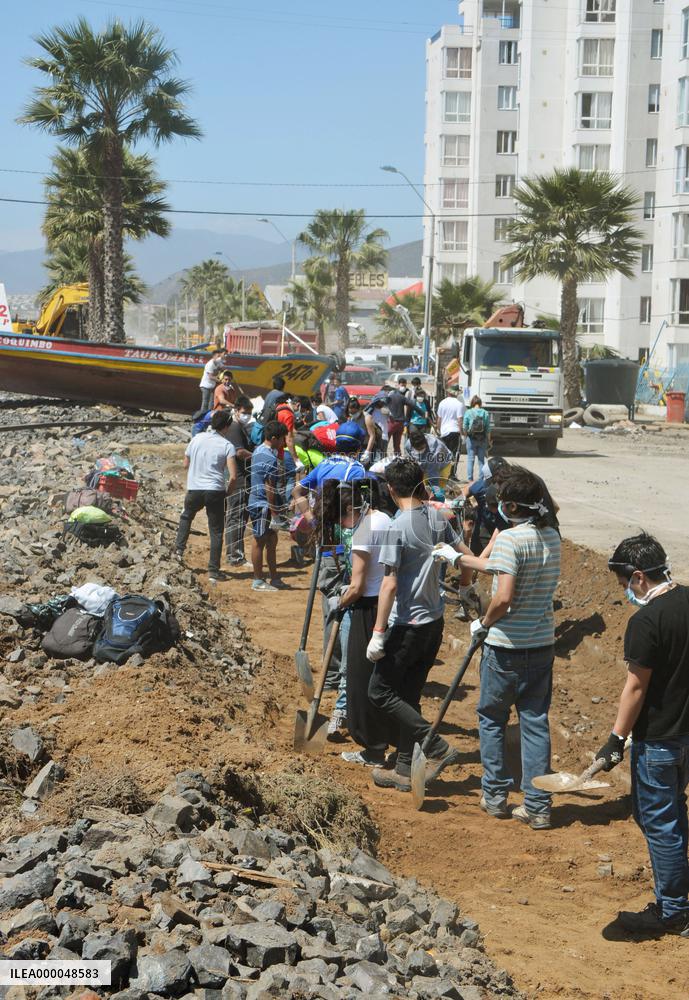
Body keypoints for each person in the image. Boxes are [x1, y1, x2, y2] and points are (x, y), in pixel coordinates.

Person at [441, 466, 561, 829]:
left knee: (492, 719)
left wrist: (484, 621)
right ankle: (538, 805)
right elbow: (497, 567)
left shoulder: (511, 539)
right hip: (540, 644)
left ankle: (494, 794)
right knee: (535, 722)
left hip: (506, 646)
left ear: (510, 506)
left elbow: (504, 596)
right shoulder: (552, 535)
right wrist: (456, 558)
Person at [597, 533, 689, 937]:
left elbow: (635, 688)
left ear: (638, 578)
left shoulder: (645, 621)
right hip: (686, 735)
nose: (625, 594)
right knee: (673, 815)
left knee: (658, 822)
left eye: (624, 585)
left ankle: (674, 911)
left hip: (659, 741)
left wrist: (616, 739)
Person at [365, 457, 472, 793]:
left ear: (391, 488)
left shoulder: (397, 527)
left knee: (379, 691)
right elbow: (465, 554)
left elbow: (390, 584)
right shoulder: (437, 517)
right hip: (433, 623)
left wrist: (378, 633)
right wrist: (466, 586)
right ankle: (402, 768)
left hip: (406, 624)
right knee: (409, 694)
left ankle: (436, 746)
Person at [317, 478, 393, 763]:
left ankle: (367, 741)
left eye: (341, 519)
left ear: (350, 508)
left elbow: (359, 584)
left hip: (366, 605)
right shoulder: (383, 517)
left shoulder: (362, 530)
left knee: (356, 674)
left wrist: (341, 601)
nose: (342, 526)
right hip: (385, 603)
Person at [175, 409, 237, 583]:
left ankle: (178, 551)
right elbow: (232, 476)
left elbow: (185, 464)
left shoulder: (197, 438)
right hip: (215, 490)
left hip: (194, 488)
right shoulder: (227, 446)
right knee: (216, 531)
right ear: (226, 426)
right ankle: (213, 570)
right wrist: (228, 492)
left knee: (186, 517)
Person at [247, 420, 290, 592]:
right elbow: (269, 488)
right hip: (262, 504)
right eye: (281, 439)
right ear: (273, 438)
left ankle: (274, 577)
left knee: (272, 540)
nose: (283, 443)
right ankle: (257, 580)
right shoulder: (270, 458)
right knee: (259, 540)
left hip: (259, 502)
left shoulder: (258, 451)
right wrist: (275, 514)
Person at [224, 395, 255, 568]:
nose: (247, 415)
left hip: (239, 477)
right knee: (236, 517)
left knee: (238, 517)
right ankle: (235, 556)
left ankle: (235, 554)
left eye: (249, 413)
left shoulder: (238, 426)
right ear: (236, 411)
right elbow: (239, 452)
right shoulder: (235, 428)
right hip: (239, 479)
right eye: (244, 412)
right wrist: (258, 455)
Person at [404, 427, 453, 493]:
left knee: (439, 489)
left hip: (443, 465)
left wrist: (436, 492)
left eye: (421, 448)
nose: (419, 450)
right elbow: (410, 459)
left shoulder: (436, 449)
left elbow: (433, 475)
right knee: (423, 487)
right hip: (424, 465)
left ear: (425, 442)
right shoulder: (409, 444)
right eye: (417, 449)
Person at [436, 389, 466, 475]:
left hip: (444, 431)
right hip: (454, 431)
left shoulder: (442, 402)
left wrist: (438, 429)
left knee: (444, 453)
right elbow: (460, 420)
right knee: (454, 454)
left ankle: (442, 473)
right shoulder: (459, 404)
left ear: (448, 392)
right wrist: (462, 433)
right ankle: (452, 474)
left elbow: (439, 418)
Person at [463, 395, 491, 481]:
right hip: (482, 439)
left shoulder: (468, 412)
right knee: (481, 461)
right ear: (480, 403)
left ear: (472, 403)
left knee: (470, 459)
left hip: (471, 439)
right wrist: (489, 441)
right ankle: (480, 480)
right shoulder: (485, 413)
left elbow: (465, 427)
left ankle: (470, 480)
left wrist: (465, 436)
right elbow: (488, 429)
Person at [346, 396, 378, 464]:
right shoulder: (350, 418)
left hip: (367, 446)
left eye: (354, 412)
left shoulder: (367, 418)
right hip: (356, 448)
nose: (353, 414)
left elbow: (372, 436)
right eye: (351, 413)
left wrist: (367, 452)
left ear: (359, 409)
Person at [387, 378, 413, 455]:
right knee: (387, 441)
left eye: (404, 384)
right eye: (402, 384)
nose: (403, 386)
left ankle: (397, 459)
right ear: (398, 384)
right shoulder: (393, 393)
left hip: (400, 421)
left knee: (397, 443)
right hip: (394, 420)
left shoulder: (408, 393)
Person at [198, 349, 226, 413]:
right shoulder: (210, 364)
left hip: (212, 386)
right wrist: (221, 381)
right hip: (205, 386)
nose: (219, 357)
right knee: (205, 402)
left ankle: (209, 414)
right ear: (214, 356)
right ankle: (202, 416)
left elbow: (223, 369)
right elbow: (210, 377)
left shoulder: (217, 363)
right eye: (217, 356)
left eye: (220, 356)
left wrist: (226, 373)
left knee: (212, 402)